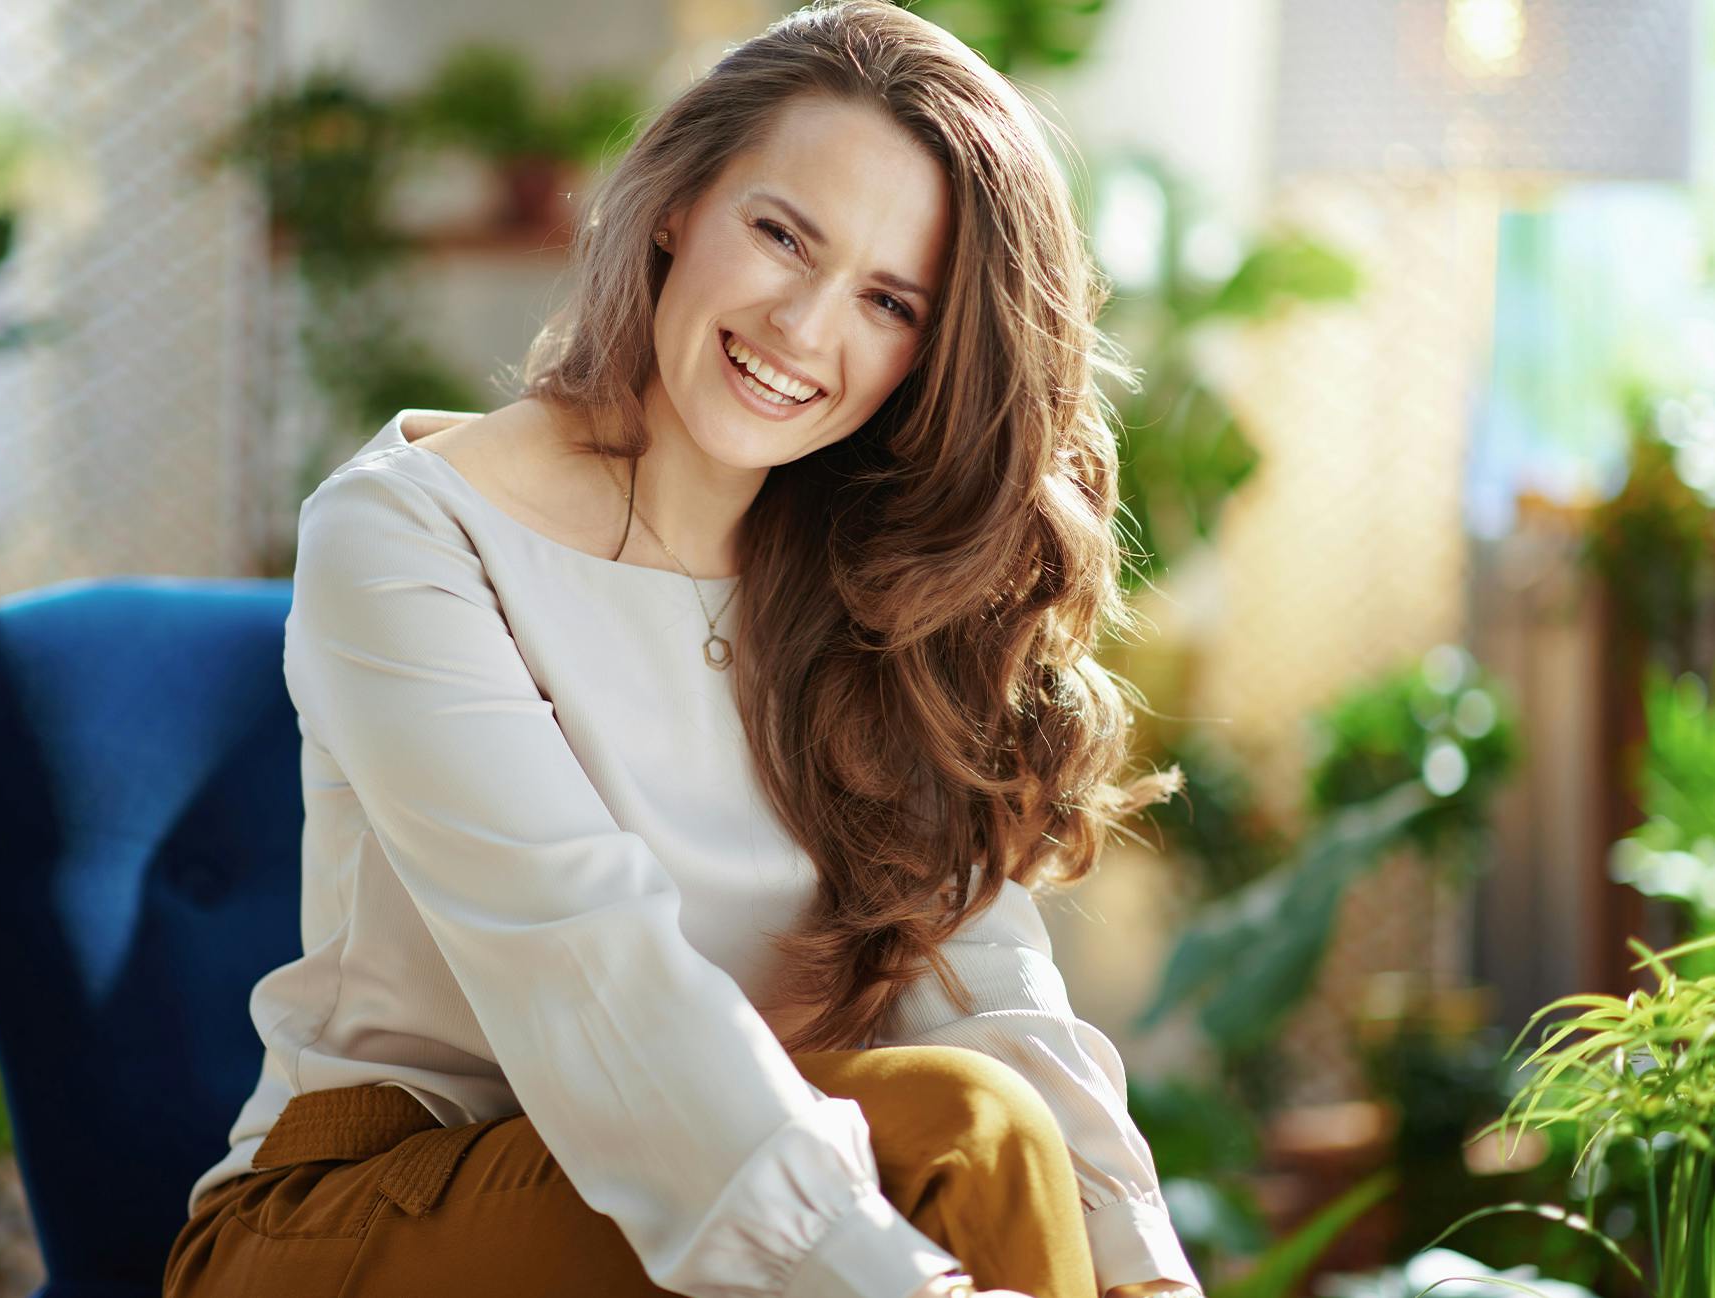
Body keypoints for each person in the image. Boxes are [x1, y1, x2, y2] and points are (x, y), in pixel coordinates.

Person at [163, 2, 1207, 1296]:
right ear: (676, 203)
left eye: (887, 301)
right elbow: (591, 974)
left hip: (733, 1173)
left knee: (979, 1109)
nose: (803, 328)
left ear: (931, 356)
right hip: (360, 1218)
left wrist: (1150, 1280)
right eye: (780, 235)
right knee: (953, 1126)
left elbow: (991, 994)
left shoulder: (862, 582)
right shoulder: (407, 533)